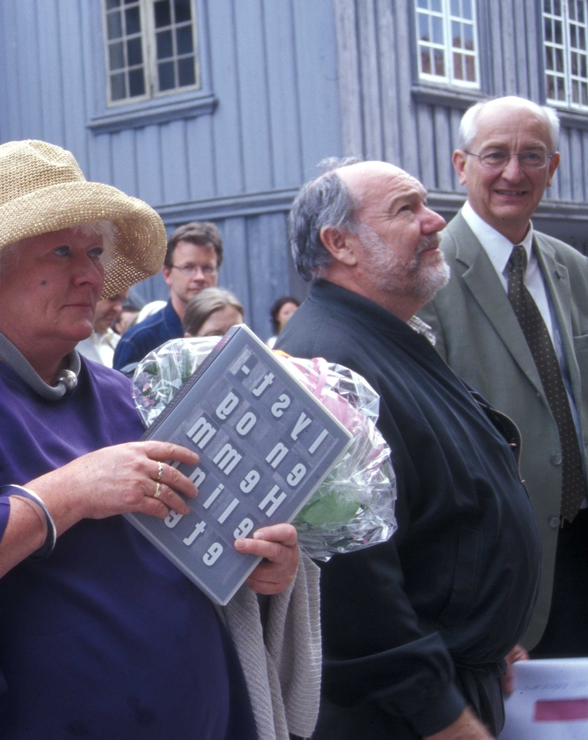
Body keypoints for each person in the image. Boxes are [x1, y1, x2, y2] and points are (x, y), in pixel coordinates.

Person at [0, 140, 302, 739]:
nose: (91, 274)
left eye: (93, 250)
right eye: (61, 250)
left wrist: (256, 568)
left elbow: (190, 545)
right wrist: (68, 493)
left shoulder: (114, 392)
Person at [276, 158, 541, 740]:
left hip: (454, 680)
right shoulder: (328, 366)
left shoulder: (385, 337)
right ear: (339, 243)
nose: (436, 220)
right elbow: (352, 590)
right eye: (407, 208)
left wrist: (487, 632)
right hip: (399, 718)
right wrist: (442, 716)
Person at [419, 96, 588, 660]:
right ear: (461, 165)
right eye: (495, 155)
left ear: (554, 169)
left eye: (532, 156)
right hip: (496, 565)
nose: (514, 173)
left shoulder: (575, 269)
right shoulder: (425, 272)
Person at [113, 221, 223, 371]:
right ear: (167, 274)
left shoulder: (228, 332)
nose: (200, 277)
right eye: (188, 267)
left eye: (207, 268)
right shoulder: (139, 341)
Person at [76, 287, 128, 365]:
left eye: (122, 301)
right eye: (112, 298)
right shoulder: (66, 342)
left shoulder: (119, 343)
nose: (119, 308)